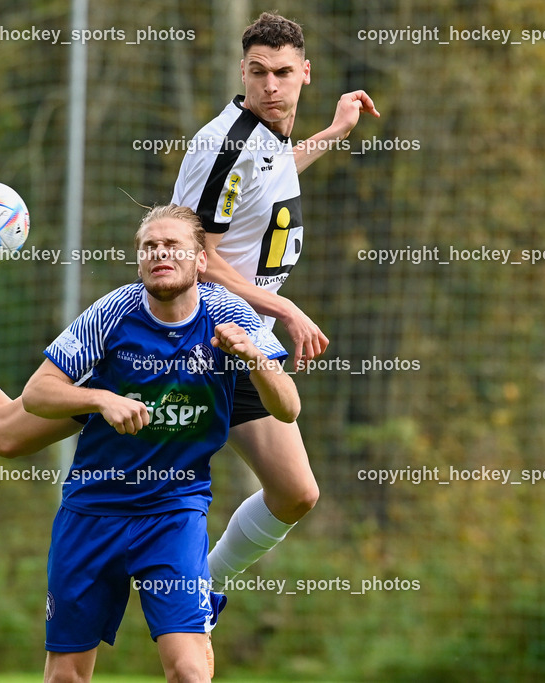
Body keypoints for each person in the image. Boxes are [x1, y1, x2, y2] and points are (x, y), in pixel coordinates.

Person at [20, 205, 299, 682]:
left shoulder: (230, 314)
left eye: (173, 246)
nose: (160, 254)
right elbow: (36, 394)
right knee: (65, 676)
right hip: (92, 510)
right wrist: (101, 398)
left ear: (200, 261)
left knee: (189, 672)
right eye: (150, 246)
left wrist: (254, 356)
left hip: (174, 513)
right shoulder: (112, 313)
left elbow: (288, 407)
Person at [170, 11, 380, 583]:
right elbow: (196, 257)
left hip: (240, 329)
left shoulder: (265, 141)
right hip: (208, 330)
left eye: (282, 72)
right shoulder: (226, 146)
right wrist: (283, 306)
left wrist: (333, 135)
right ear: (242, 70)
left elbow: (271, 175)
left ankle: (202, 588)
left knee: (293, 493)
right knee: (147, 482)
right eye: (258, 71)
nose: (270, 85)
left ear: (305, 74)